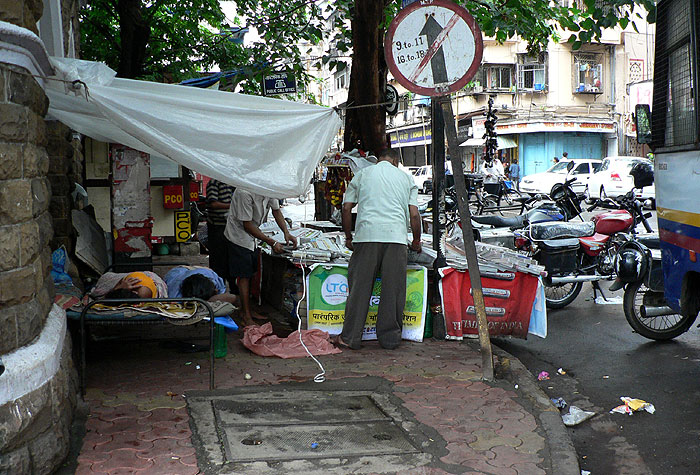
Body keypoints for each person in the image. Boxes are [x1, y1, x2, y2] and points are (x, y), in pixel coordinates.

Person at [334, 148, 421, 350]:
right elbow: (414, 215)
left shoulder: (363, 175)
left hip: (366, 237)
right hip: (396, 239)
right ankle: (390, 340)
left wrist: (348, 236)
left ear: (378, 159)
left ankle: (350, 338)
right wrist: (416, 241)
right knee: (393, 290)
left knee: (359, 288)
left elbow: (346, 208)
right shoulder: (406, 178)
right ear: (396, 161)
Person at [224, 189, 297, 327]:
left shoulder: (267, 188)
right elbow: (247, 225)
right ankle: (245, 315)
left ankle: (248, 310)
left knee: (251, 273)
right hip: (238, 236)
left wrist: (286, 232)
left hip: (253, 236)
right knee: (243, 276)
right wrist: (272, 242)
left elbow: (276, 210)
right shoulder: (244, 192)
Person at [206, 179, 236, 291]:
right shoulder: (215, 183)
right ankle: (219, 289)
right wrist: (233, 206)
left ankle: (234, 290)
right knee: (218, 262)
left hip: (231, 228)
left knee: (231, 260)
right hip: (218, 228)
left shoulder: (232, 183)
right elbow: (213, 204)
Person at [164, 266, 239, 306]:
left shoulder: (213, 280)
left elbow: (232, 297)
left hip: (196, 270)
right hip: (176, 273)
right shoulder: (174, 295)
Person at [92, 271, 168, 299]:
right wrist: (118, 287)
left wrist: (118, 288)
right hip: (122, 281)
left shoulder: (143, 292)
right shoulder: (127, 284)